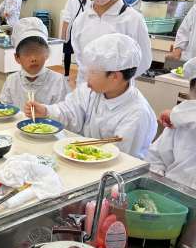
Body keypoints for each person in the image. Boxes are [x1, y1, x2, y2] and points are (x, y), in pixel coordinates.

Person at [25, 33, 157, 159]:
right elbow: (70, 111)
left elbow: (117, 156)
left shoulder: (137, 114)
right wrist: (46, 111)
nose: (86, 78)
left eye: (93, 72)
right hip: (84, 160)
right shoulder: (91, 90)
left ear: (115, 76)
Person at [71, 0, 152, 87]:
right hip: (85, 91)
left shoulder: (133, 20)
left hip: (118, 94)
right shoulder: (80, 21)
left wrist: (112, 83)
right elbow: (81, 61)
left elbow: (143, 61)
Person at [147, 50, 196, 198]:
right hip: (170, 195)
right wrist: (157, 184)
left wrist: (178, 114)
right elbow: (156, 157)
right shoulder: (180, 124)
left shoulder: (182, 117)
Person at [0, 17, 69, 110]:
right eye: (27, 52)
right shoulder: (11, 82)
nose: (33, 58)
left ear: (47, 54)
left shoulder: (58, 82)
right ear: (17, 57)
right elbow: (6, 110)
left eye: (38, 52)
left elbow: (64, 113)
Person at [61, 0, 87, 79]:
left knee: (67, 52)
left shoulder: (71, 0)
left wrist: (63, 35)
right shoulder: (88, 1)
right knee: (81, 54)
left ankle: (66, 75)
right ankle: (81, 76)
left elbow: (66, 19)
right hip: (83, 30)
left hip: (72, 29)